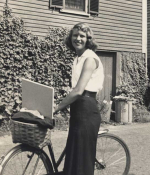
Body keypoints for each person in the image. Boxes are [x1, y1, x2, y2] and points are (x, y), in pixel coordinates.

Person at [54, 22, 104, 175]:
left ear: (88, 39)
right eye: (75, 35)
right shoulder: (77, 58)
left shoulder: (89, 59)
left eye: (82, 36)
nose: (78, 39)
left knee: (82, 160)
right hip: (78, 109)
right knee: (74, 155)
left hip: (87, 110)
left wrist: (56, 107)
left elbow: (78, 90)